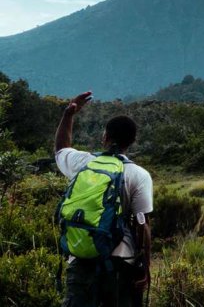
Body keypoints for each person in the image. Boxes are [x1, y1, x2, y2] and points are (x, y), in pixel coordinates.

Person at [54, 91, 153, 307]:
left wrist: (69, 114)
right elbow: (142, 225)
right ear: (133, 141)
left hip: (80, 256)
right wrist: (145, 267)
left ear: (105, 137)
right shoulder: (139, 175)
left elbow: (61, 149)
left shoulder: (83, 163)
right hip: (121, 261)